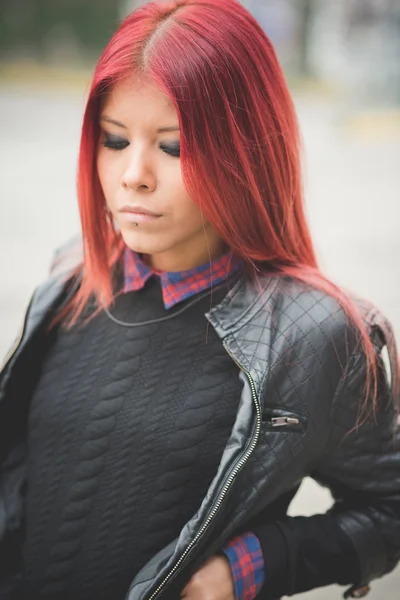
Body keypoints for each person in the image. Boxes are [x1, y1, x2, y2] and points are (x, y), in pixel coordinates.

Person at [0, 1, 399, 599]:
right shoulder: (71, 277)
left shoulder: (314, 334)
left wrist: (252, 566)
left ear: (247, 151)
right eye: (113, 139)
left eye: (173, 147)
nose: (133, 174)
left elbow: (388, 509)